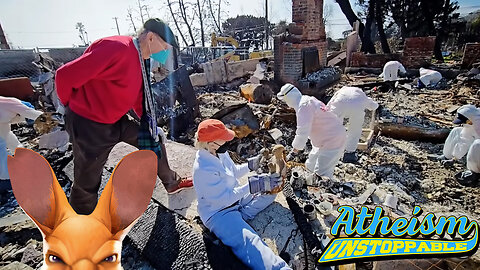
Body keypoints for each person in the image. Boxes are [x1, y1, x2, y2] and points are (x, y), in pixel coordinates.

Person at [55, 18, 193, 215]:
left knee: (154, 140)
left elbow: (138, 97)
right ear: (151, 38)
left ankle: (172, 182)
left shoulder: (141, 61)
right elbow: (64, 76)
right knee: (87, 180)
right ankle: (80, 223)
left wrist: (150, 124)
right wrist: (68, 107)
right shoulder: (117, 48)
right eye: (165, 47)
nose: (165, 54)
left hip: (115, 120)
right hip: (89, 124)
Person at [192, 119, 290, 270]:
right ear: (211, 143)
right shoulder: (202, 169)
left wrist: (252, 164)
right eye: (223, 139)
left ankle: (241, 217)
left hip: (236, 199)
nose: (227, 142)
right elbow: (224, 200)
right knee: (250, 242)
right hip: (219, 213)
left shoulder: (219, 152)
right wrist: (252, 186)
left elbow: (233, 172)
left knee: (270, 193)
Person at [277, 84, 346, 182]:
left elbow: (302, 131)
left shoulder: (304, 106)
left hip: (332, 140)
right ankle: (310, 184)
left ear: (289, 98)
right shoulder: (307, 101)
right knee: (310, 166)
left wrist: (294, 152)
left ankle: (322, 194)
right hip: (324, 140)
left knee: (320, 175)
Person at [0, 96, 43, 192]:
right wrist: (57, 121)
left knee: (6, 138)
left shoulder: (4, 110)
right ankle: (8, 180)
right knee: (1, 153)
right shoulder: (15, 105)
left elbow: (7, 136)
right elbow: (36, 115)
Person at [327, 86, 379, 163]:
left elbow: (329, 104)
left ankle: (330, 151)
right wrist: (377, 105)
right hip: (356, 107)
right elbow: (373, 106)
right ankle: (349, 154)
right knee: (355, 129)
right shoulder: (361, 95)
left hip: (339, 104)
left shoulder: (341, 91)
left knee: (334, 127)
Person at [439, 105, 480, 185]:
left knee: (477, 144)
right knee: (456, 131)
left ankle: (475, 173)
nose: (463, 124)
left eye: (464, 122)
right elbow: (464, 140)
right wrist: (454, 158)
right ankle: (446, 156)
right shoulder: (473, 123)